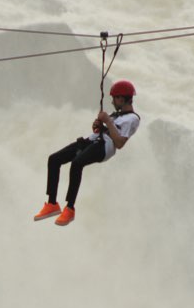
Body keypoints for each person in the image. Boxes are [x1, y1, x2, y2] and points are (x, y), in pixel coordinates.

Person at [34, 79, 140, 226]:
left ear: (122, 98)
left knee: (77, 164)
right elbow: (105, 130)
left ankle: (69, 208)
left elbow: (120, 143)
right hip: (92, 141)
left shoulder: (132, 119)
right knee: (54, 159)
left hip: (104, 147)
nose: (113, 102)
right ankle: (52, 204)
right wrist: (98, 126)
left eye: (114, 98)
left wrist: (107, 122)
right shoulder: (116, 115)